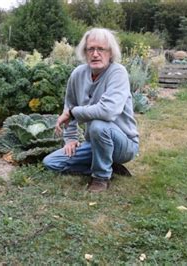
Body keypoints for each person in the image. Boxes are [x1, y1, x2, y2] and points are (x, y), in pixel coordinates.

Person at [43, 28, 139, 192]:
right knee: (51, 163)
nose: (95, 54)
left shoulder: (118, 73)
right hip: (95, 142)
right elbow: (69, 104)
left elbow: (107, 111)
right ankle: (109, 166)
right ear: (85, 52)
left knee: (97, 124)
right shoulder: (77, 74)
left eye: (101, 49)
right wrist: (71, 138)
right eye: (91, 49)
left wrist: (73, 113)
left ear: (110, 53)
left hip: (124, 144)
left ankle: (100, 177)